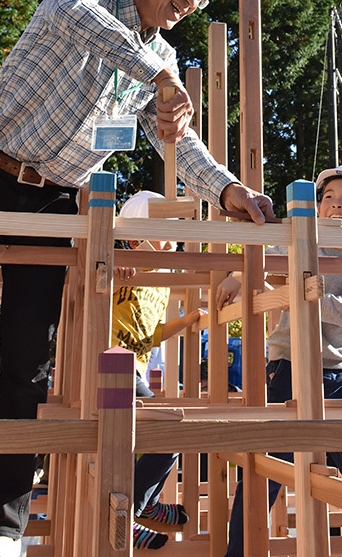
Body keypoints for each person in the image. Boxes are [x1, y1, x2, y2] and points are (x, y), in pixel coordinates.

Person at [0, 0, 274, 557]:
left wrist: (227, 190)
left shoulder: (156, 62)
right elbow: (73, 16)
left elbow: (178, 143)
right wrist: (156, 71)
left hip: (57, 200)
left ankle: (2, 530)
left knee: (29, 362)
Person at [217, 161, 342, 557]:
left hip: (340, 376)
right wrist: (237, 276)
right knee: (264, 468)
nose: (335, 204)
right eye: (327, 197)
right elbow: (265, 260)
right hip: (289, 367)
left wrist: (308, 294)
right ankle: (238, 552)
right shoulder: (301, 242)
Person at [114, 190, 205, 550]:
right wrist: (119, 273)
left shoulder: (162, 281)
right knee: (165, 429)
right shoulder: (128, 263)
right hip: (111, 364)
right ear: (137, 237)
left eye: (174, 229)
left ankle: (144, 502)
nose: (173, 238)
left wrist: (187, 321)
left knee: (172, 433)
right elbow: (96, 284)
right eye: (163, 230)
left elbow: (151, 336)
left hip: (135, 367)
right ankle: (133, 509)